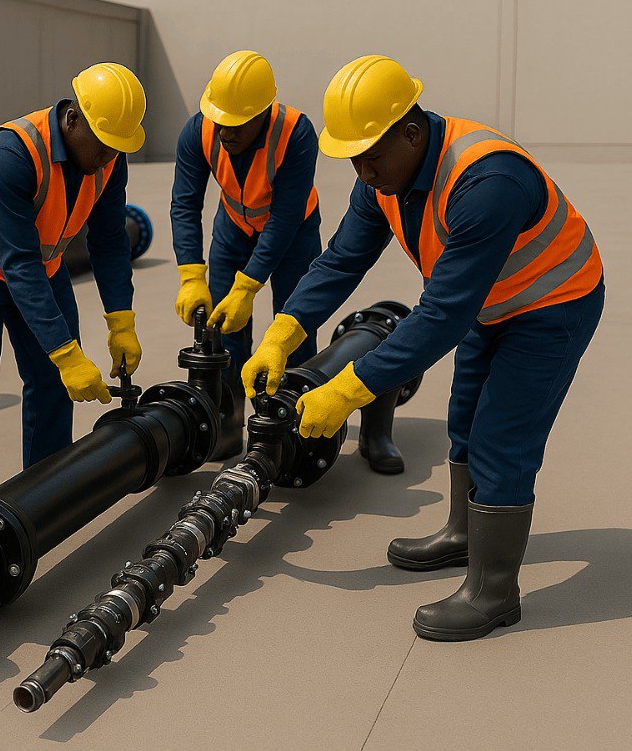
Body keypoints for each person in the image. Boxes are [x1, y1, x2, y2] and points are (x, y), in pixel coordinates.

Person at [243, 55, 604, 640]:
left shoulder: (487, 182)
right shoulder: (385, 174)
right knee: (464, 418)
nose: (362, 171)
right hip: (490, 300)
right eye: (353, 158)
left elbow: (440, 316)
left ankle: (494, 592)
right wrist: (282, 333)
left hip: (552, 304)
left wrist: (347, 390)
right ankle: (464, 535)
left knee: (501, 438)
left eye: (370, 156)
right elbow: (342, 259)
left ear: (411, 133)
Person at [0, 63, 146, 490]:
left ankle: (44, 494)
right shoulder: (10, 155)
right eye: (103, 144)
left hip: (41, 265)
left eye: (116, 148)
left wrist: (121, 319)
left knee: (53, 382)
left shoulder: (109, 156)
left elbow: (109, 240)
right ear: (73, 118)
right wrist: (65, 352)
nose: (108, 156)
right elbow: (19, 264)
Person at [169, 50, 323, 462]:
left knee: (293, 329)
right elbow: (185, 203)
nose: (224, 131)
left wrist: (248, 285)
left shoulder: (296, 133)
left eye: (236, 123)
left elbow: (284, 218)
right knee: (226, 333)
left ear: (263, 113)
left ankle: (294, 433)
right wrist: (191, 274)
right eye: (219, 119)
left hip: (294, 233)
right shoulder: (198, 130)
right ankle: (229, 427)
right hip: (234, 229)